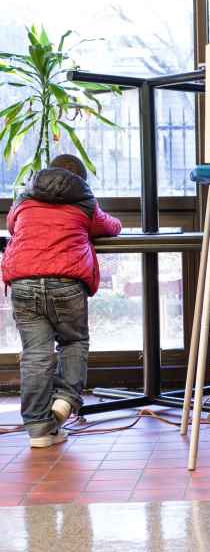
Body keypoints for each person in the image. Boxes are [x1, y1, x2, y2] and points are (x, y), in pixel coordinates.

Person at [1, 154, 122, 447]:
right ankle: (66, 400)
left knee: (35, 353)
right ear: (80, 179)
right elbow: (110, 227)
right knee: (73, 342)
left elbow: (13, 228)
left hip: (23, 281)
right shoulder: (84, 201)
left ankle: (39, 430)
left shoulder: (24, 199)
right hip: (66, 282)